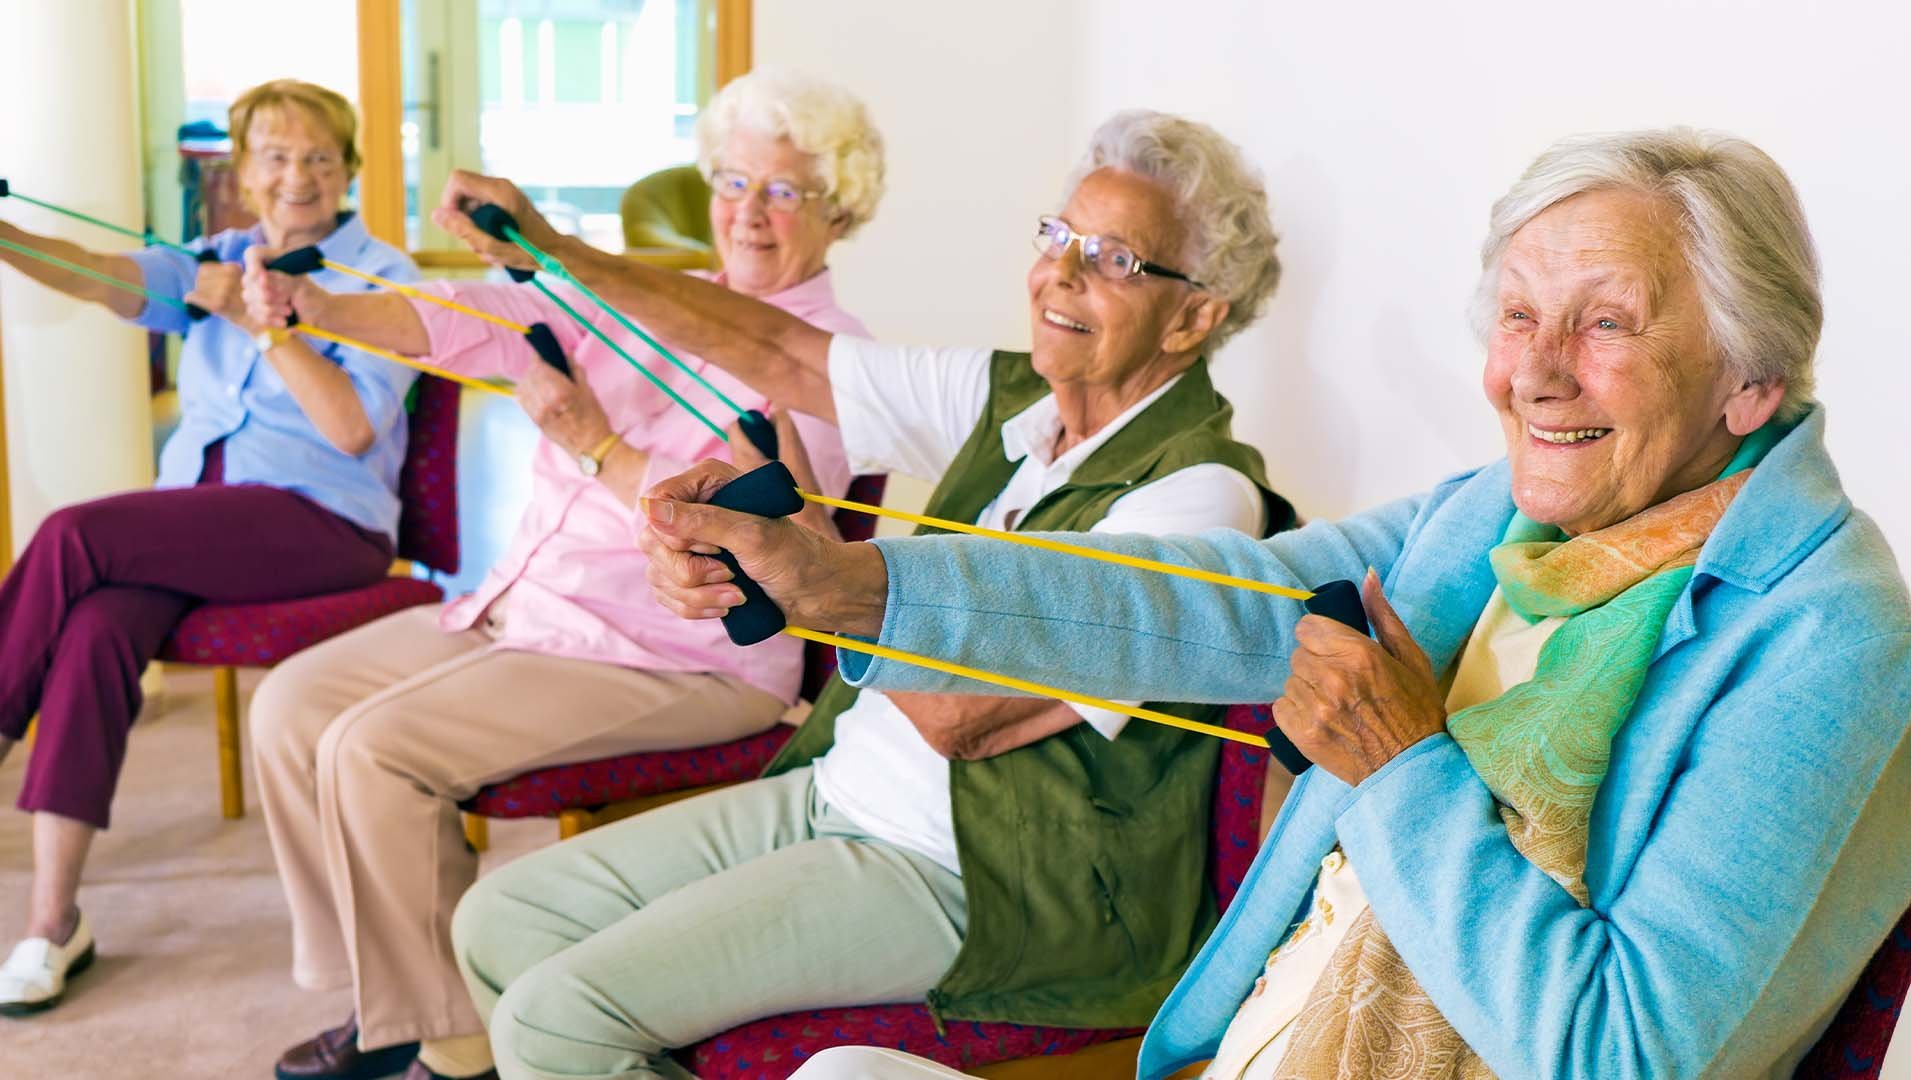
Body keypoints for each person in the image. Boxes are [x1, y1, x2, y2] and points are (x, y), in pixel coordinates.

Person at [646, 128, 1911, 1080]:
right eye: (1519, 314)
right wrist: (857, 586)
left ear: (1748, 382)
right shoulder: (1500, 514)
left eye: (1607, 324)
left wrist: (1406, 763)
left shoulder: (1828, 634)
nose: (1531, 372)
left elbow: (1620, 1049)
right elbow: (1198, 601)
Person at [434, 109, 1294, 1080]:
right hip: (837, 791)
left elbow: (966, 717)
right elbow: (779, 352)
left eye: (1116, 259)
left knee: (559, 1021)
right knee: (502, 921)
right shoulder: (1017, 401)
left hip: (977, 871)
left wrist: (813, 583)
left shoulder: (1199, 499)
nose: (1061, 272)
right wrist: (553, 250)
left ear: (1196, 314)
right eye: (1057, 236)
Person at [239, 69, 881, 1080]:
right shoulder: (659, 300)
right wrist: (315, 308)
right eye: (731, 181)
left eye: (783, 191)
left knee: (372, 750)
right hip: (528, 610)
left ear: (838, 207)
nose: (747, 213)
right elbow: (464, 318)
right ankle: (389, 1005)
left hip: (670, 657)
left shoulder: (832, 363)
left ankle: (451, 1049)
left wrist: (591, 442)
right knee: (290, 707)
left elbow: (735, 535)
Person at [0, 79, 419, 1016]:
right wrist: (7, 236)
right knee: (101, 623)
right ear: (242, 174)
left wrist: (263, 325)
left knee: (74, 534)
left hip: (324, 524)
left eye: (319, 156)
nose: (298, 176)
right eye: (274, 156)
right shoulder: (214, 257)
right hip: (205, 527)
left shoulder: (383, 277)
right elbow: (90, 273)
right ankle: (51, 922)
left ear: (350, 168)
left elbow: (352, 429)